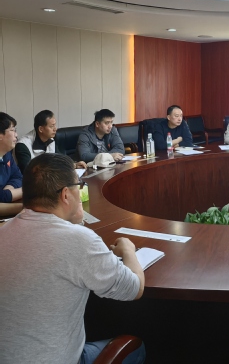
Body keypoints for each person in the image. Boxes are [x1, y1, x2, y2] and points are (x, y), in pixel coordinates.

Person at [0, 153, 145, 364]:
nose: (81, 190)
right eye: (80, 185)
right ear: (66, 195)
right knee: (136, 349)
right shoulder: (79, 241)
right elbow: (134, 288)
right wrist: (128, 250)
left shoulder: (4, 230)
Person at [15, 110, 87, 172]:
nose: (55, 129)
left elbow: (60, 158)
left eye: (55, 125)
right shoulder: (23, 145)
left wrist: (74, 164)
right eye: (52, 126)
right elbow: (27, 171)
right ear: (41, 129)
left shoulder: (50, 139)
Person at [0, 112, 22, 216]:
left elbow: (17, 176)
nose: (16, 135)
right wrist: (26, 191)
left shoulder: (7, 154)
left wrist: (8, 190)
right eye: (12, 130)